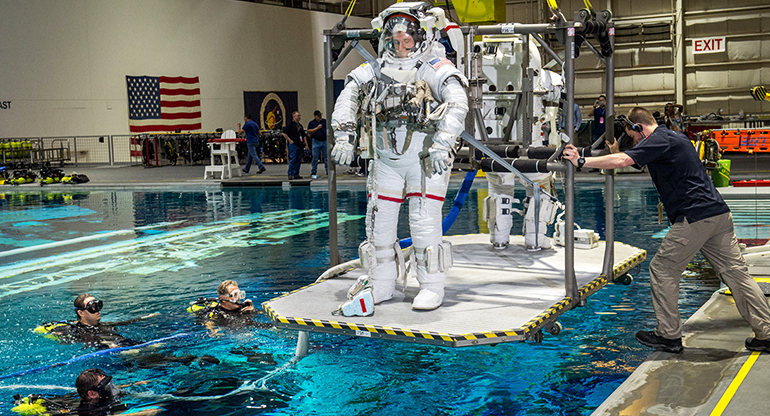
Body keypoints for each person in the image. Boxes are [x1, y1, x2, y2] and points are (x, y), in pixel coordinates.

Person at [563, 106, 770, 353]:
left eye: (633, 136)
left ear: (639, 128)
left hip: (695, 218)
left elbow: (626, 159)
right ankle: (766, 333)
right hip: (718, 214)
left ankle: (669, 335)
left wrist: (581, 160)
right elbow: (638, 161)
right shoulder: (671, 138)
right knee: (737, 275)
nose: (634, 141)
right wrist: (618, 152)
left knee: (662, 270)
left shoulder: (658, 138)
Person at [330, 2, 468, 310]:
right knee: (379, 225)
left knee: (423, 222)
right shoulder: (376, 70)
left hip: (424, 160)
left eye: (407, 41)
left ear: (421, 38)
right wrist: (343, 134)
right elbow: (348, 95)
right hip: (386, 162)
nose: (401, 47)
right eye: (395, 41)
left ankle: (431, 285)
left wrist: (442, 144)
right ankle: (382, 284)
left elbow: (457, 103)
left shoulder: (432, 67)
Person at [44, 294, 156, 350]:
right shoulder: (74, 330)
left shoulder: (104, 325)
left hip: (125, 344)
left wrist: (148, 317)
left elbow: (125, 322)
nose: (98, 310)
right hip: (114, 350)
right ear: (81, 313)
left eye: (98, 306)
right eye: (92, 307)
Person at [188, 280, 271, 329]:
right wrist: (213, 331)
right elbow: (208, 324)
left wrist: (253, 311)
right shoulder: (215, 313)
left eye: (239, 294)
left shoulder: (244, 308)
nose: (238, 298)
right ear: (223, 298)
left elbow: (265, 314)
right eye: (234, 295)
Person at [282, 111, 306, 180]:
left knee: (298, 160)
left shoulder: (300, 126)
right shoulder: (290, 124)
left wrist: (305, 144)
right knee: (293, 159)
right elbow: (284, 133)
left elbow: (303, 135)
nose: (299, 117)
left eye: (299, 116)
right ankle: (290, 174)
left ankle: (296, 174)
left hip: (299, 144)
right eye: (298, 116)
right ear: (294, 117)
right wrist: (290, 140)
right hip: (293, 145)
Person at [306, 110, 327, 179]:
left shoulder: (324, 121)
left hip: (324, 141)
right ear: (315, 116)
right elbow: (309, 131)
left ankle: (328, 170)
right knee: (315, 158)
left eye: (320, 115)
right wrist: (317, 128)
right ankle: (313, 171)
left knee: (326, 157)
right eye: (318, 116)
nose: (320, 117)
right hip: (316, 142)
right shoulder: (312, 123)